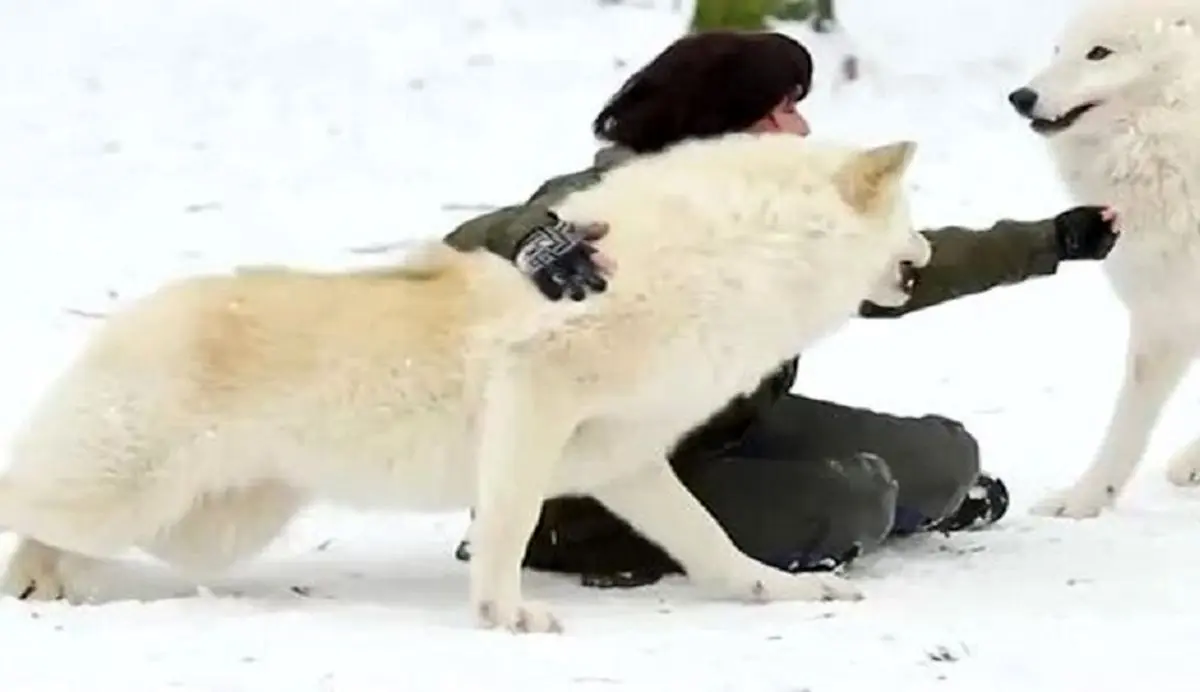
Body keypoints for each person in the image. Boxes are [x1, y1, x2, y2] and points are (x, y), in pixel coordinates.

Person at [442, 30, 1120, 587]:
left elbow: (895, 269)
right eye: (785, 108)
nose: (801, 125)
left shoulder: (763, 204)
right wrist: (531, 240)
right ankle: (559, 539)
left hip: (730, 428)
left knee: (945, 459)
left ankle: (845, 500)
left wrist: (1050, 242)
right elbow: (478, 242)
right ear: (733, 122)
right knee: (852, 503)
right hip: (593, 475)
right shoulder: (617, 196)